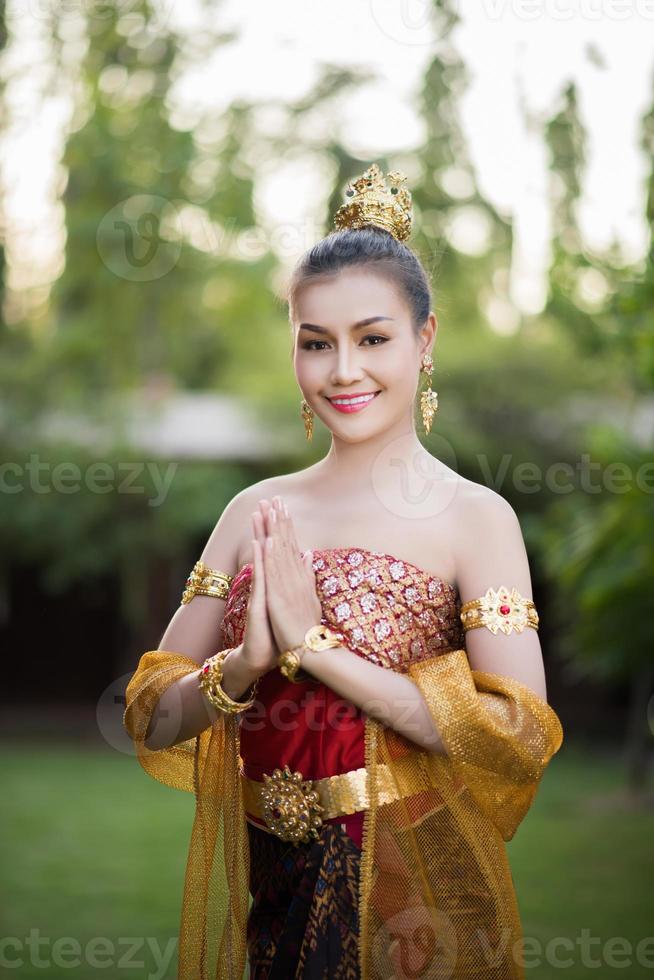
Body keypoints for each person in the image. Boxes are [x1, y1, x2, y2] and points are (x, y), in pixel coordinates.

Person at [123, 163, 564, 980]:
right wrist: (247, 664)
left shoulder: (476, 518)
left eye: (372, 338)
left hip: (408, 899)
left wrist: (317, 647)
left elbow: (518, 736)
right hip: (274, 891)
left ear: (424, 340)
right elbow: (151, 718)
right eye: (316, 343)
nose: (343, 371)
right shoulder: (252, 511)